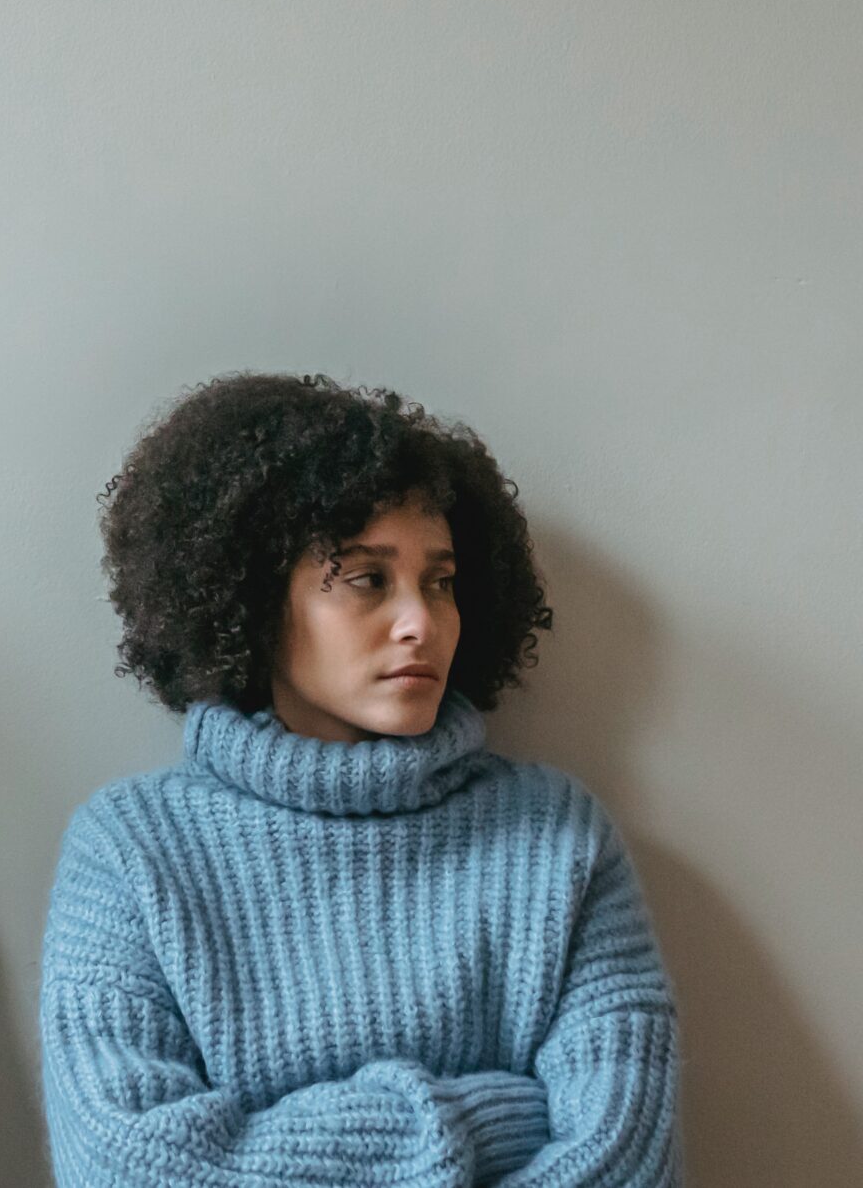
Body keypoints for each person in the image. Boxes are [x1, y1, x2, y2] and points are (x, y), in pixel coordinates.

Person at [40, 373, 679, 1187]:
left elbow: (627, 1163)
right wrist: (498, 1115)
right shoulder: (128, 851)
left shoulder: (557, 837)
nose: (422, 620)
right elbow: (128, 1168)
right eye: (368, 579)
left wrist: (274, 1140)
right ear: (254, 599)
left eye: (440, 581)